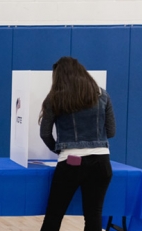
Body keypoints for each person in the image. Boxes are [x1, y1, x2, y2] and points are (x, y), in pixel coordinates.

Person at [39, 57, 115, 231]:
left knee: (54, 215)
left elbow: (44, 133)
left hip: (71, 160)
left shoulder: (54, 98)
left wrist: (59, 149)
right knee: (94, 215)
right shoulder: (103, 95)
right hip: (102, 161)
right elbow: (111, 132)